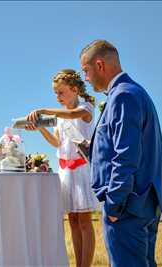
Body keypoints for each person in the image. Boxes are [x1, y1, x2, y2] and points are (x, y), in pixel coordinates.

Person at [80, 40, 162, 267]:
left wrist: (113, 206)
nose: (86, 78)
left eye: (86, 71)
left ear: (100, 65)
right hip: (141, 202)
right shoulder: (133, 92)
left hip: (127, 207)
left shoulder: (122, 96)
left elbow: (126, 156)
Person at [25, 69, 98, 267]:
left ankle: (86, 265)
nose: (58, 97)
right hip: (66, 172)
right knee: (73, 221)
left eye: (61, 92)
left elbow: (74, 114)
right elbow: (57, 142)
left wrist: (45, 111)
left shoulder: (86, 107)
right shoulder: (60, 116)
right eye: (55, 93)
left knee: (84, 221)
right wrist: (41, 127)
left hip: (82, 170)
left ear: (75, 90)